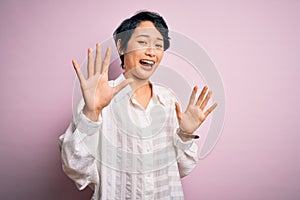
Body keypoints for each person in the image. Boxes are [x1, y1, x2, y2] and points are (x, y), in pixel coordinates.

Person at [59, 11, 217, 200]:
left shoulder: (168, 100)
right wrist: (92, 112)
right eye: (143, 42)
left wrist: (184, 134)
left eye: (158, 45)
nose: (151, 52)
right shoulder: (96, 100)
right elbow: (75, 168)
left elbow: (184, 168)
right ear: (121, 45)